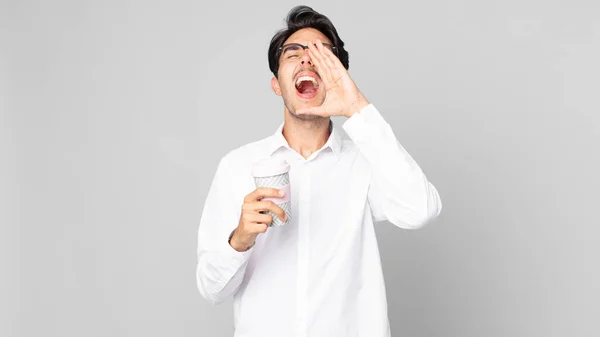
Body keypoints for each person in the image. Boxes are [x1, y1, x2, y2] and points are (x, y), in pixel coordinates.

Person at [196, 5, 442, 337]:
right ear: (276, 85)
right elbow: (212, 289)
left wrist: (356, 107)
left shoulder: (366, 161)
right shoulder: (237, 166)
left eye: (322, 54)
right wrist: (240, 238)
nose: (308, 60)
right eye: (293, 54)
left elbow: (420, 210)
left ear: (337, 75)